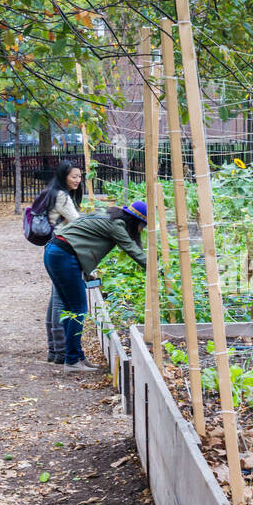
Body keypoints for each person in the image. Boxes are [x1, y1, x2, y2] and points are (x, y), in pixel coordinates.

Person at [45, 200, 147, 374]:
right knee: (78, 309)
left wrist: (84, 271)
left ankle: (77, 356)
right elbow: (133, 250)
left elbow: (81, 240)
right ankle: (71, 361)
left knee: (71, 309)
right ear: (137, 221)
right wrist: (155, 268)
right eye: (143, 226)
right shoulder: (116, 226)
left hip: (54, 252)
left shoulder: (106, 218)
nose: (142, 231)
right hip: (64, 256)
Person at [44, 160, 85, 363]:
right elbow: (77, 223)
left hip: (52, 248)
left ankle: (54, 350)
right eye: (74, 176)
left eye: (80, 176)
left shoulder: (52, 192)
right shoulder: (61, 196)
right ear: (63, 176)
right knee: (61, 301)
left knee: (55, 300)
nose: (78, 180)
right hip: (62, 249)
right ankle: (61, 352)